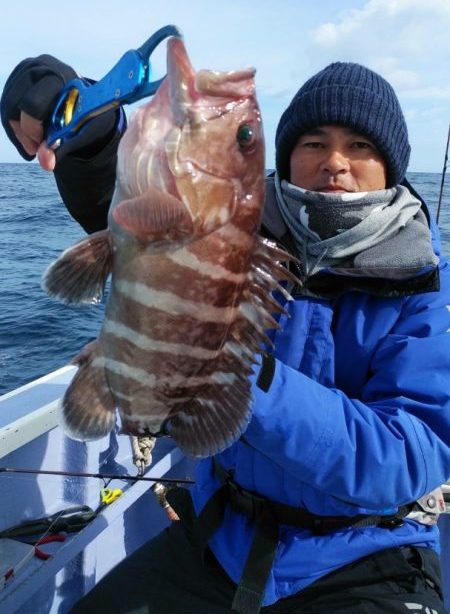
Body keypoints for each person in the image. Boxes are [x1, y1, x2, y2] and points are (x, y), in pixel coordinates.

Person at [2, 55, 450, 614]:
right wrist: (90, 139)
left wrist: (243, 373)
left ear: (392, 165)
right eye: (313, 142)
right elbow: (137, 211)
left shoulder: (427, 285)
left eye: (360, 146)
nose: (335, 162)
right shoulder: (238, 220)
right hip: (221, 537)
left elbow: (408, 456)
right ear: (285, 158)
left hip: (365, 560)